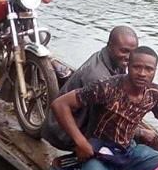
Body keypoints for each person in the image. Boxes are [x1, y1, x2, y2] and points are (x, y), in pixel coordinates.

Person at [42, 25, 140, 155]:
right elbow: (106, 120)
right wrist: (138, 132)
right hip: (62, 133)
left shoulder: (109, 58)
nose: (129, 57)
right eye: (124, 51)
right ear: (110, 46)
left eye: (133, 52)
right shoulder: (98, 77)